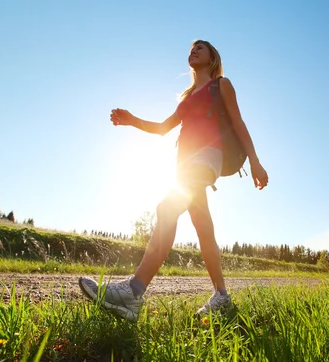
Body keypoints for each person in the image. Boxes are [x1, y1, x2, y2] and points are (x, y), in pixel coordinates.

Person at [78, 40, 269, 322]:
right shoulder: (187, 98)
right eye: (191, 49)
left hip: (208, 157)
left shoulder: (221, 85)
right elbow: (163, 128)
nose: (193, 51)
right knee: (204, 229)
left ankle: (133, 291)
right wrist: (132, 120)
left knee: (167, 208)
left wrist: (254, 160)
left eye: (200, 48)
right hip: (185, 165)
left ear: (213, 58)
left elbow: (238, 122)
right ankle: (222, 297)